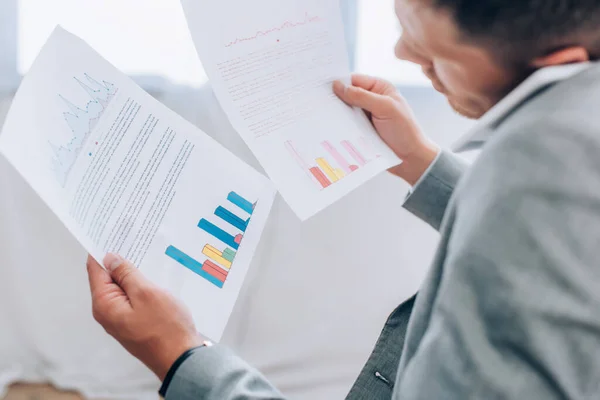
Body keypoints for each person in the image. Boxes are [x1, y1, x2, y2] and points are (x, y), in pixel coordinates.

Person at [87, 0, 600, 398]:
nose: (403, 54)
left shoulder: (534, 172)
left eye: (432, 54)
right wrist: (421, 162)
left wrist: (179, 356)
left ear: (557, 61)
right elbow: (541, 248)